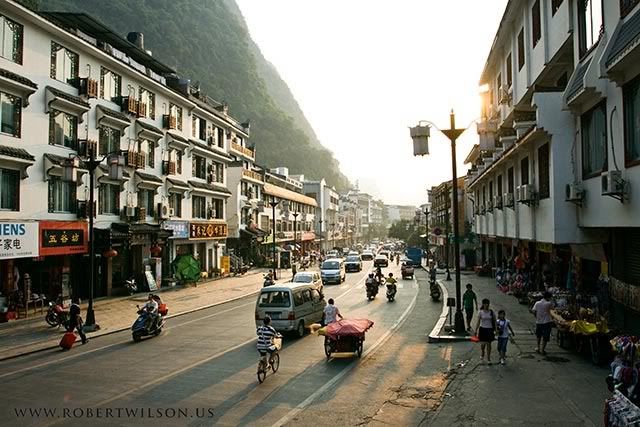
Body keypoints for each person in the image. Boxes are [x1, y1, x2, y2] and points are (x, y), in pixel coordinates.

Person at [532, 291, 554, 355]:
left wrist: (537, 317)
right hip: (547, 322)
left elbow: (533, 311)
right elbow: (553, 308)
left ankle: (538, 347)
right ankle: (542, 350)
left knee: (538, 335)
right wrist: (552, 300)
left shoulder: (537, 303)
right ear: (548, 297)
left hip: (539, 322)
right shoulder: (548, 303)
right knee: (545, 336)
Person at [475, 298, 496, 364]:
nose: (486, 305)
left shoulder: (491, 312)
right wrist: (476, 330)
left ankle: (488, 358)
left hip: (489, 329)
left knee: (489, 344)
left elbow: (494, 321)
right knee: (483, 344)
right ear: (483, 304)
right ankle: (482, 352)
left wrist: (496, 329)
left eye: (488, 304)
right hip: (482, 329)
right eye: (485, 304)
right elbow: (478, 322)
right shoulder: (480, 312)